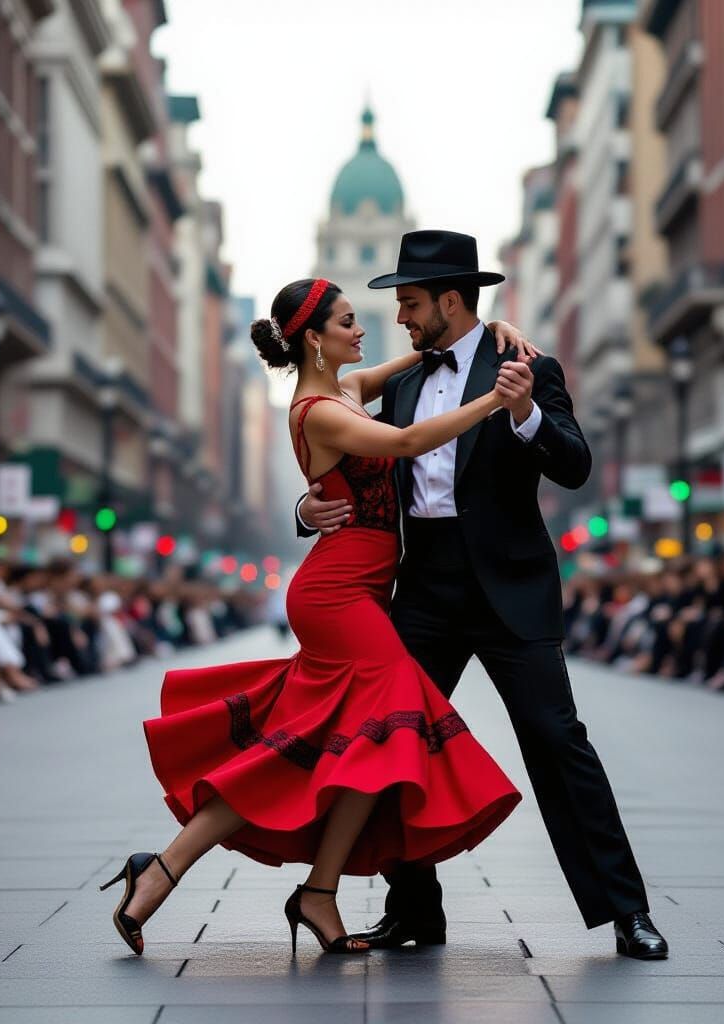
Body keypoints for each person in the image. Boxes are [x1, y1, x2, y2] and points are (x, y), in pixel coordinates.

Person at [101, 275, 535, 957]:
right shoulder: (318, 408)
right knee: (385, 724)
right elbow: (405, 444)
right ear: (314, 338)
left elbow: (425, 363)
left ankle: (190, 875)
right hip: (335, 596)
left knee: (331, 748)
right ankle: (310, 889)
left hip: (359, 589)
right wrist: (493, 399)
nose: (363, 331)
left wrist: (489, 339)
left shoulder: (346, 390)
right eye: (347, 322)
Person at [298, 230, 668, 960]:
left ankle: (627, 912)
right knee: (392, 740)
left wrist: (527, 414)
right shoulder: (399, 384)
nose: (400, 318)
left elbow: (575, 465)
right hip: (425, 588)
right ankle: (414, 910)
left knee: (559, 742)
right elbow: (328, 443)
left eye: (409, 303)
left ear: (450, 300)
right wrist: (307, 511)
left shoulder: (528, 367)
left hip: (512, 587)